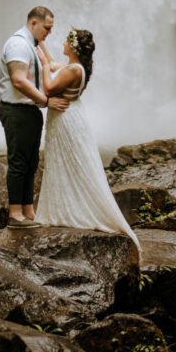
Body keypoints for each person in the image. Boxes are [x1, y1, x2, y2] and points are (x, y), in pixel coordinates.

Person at [34, 27, 140, 248]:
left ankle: (76, 209)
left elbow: (49, 86)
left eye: (65, 40)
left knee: (71, 164)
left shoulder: (73, 70)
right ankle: (65, 207)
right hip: (69, 116)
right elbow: (53, 64)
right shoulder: (73, 67)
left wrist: (43, 65)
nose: (62, 42)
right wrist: (38, 42)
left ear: (73, 46)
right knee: (63, 163)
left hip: (65, 119)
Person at [0, 7, 69, 228]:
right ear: (33, 24)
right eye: (47, 28)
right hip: (16, 110)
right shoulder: (18, 44)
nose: (49, 32)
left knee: (31, 163)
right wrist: (47, 102)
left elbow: (48, 66)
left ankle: (28, 210)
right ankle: (15, 214)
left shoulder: (32, 44)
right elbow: (18, 80)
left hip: (29, 111)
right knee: (19, 162)